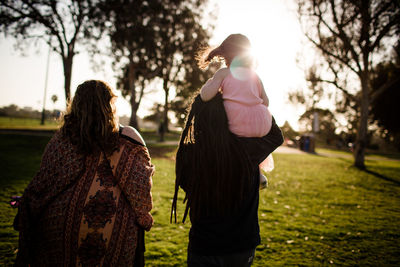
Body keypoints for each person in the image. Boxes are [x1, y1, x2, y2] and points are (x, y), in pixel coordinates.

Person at [14, 80, 154, 266]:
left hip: (57, 231)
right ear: (109, 104)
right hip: (112, 239)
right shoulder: (127, 137)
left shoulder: (61, 141)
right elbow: (141, 191)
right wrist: (143, 217)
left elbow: (41, 185)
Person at [171, 93, 283, 267]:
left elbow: (187, 185)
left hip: (203, 246)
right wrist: (254, 101)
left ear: (197, 115)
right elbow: (275, 135)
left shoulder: (187, 153)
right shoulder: (245, 149)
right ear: (231, 116)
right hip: (240, 246)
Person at [198, 33, 274, 189]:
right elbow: (266, 101)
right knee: (251, 143)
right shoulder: (255, 76)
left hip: (238, 121)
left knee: (233, 139)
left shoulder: (223, 73)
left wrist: (208, 84)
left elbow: (206, 96)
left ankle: (230, 173)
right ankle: (258, 174)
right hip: (262, 121)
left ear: (227, 55)